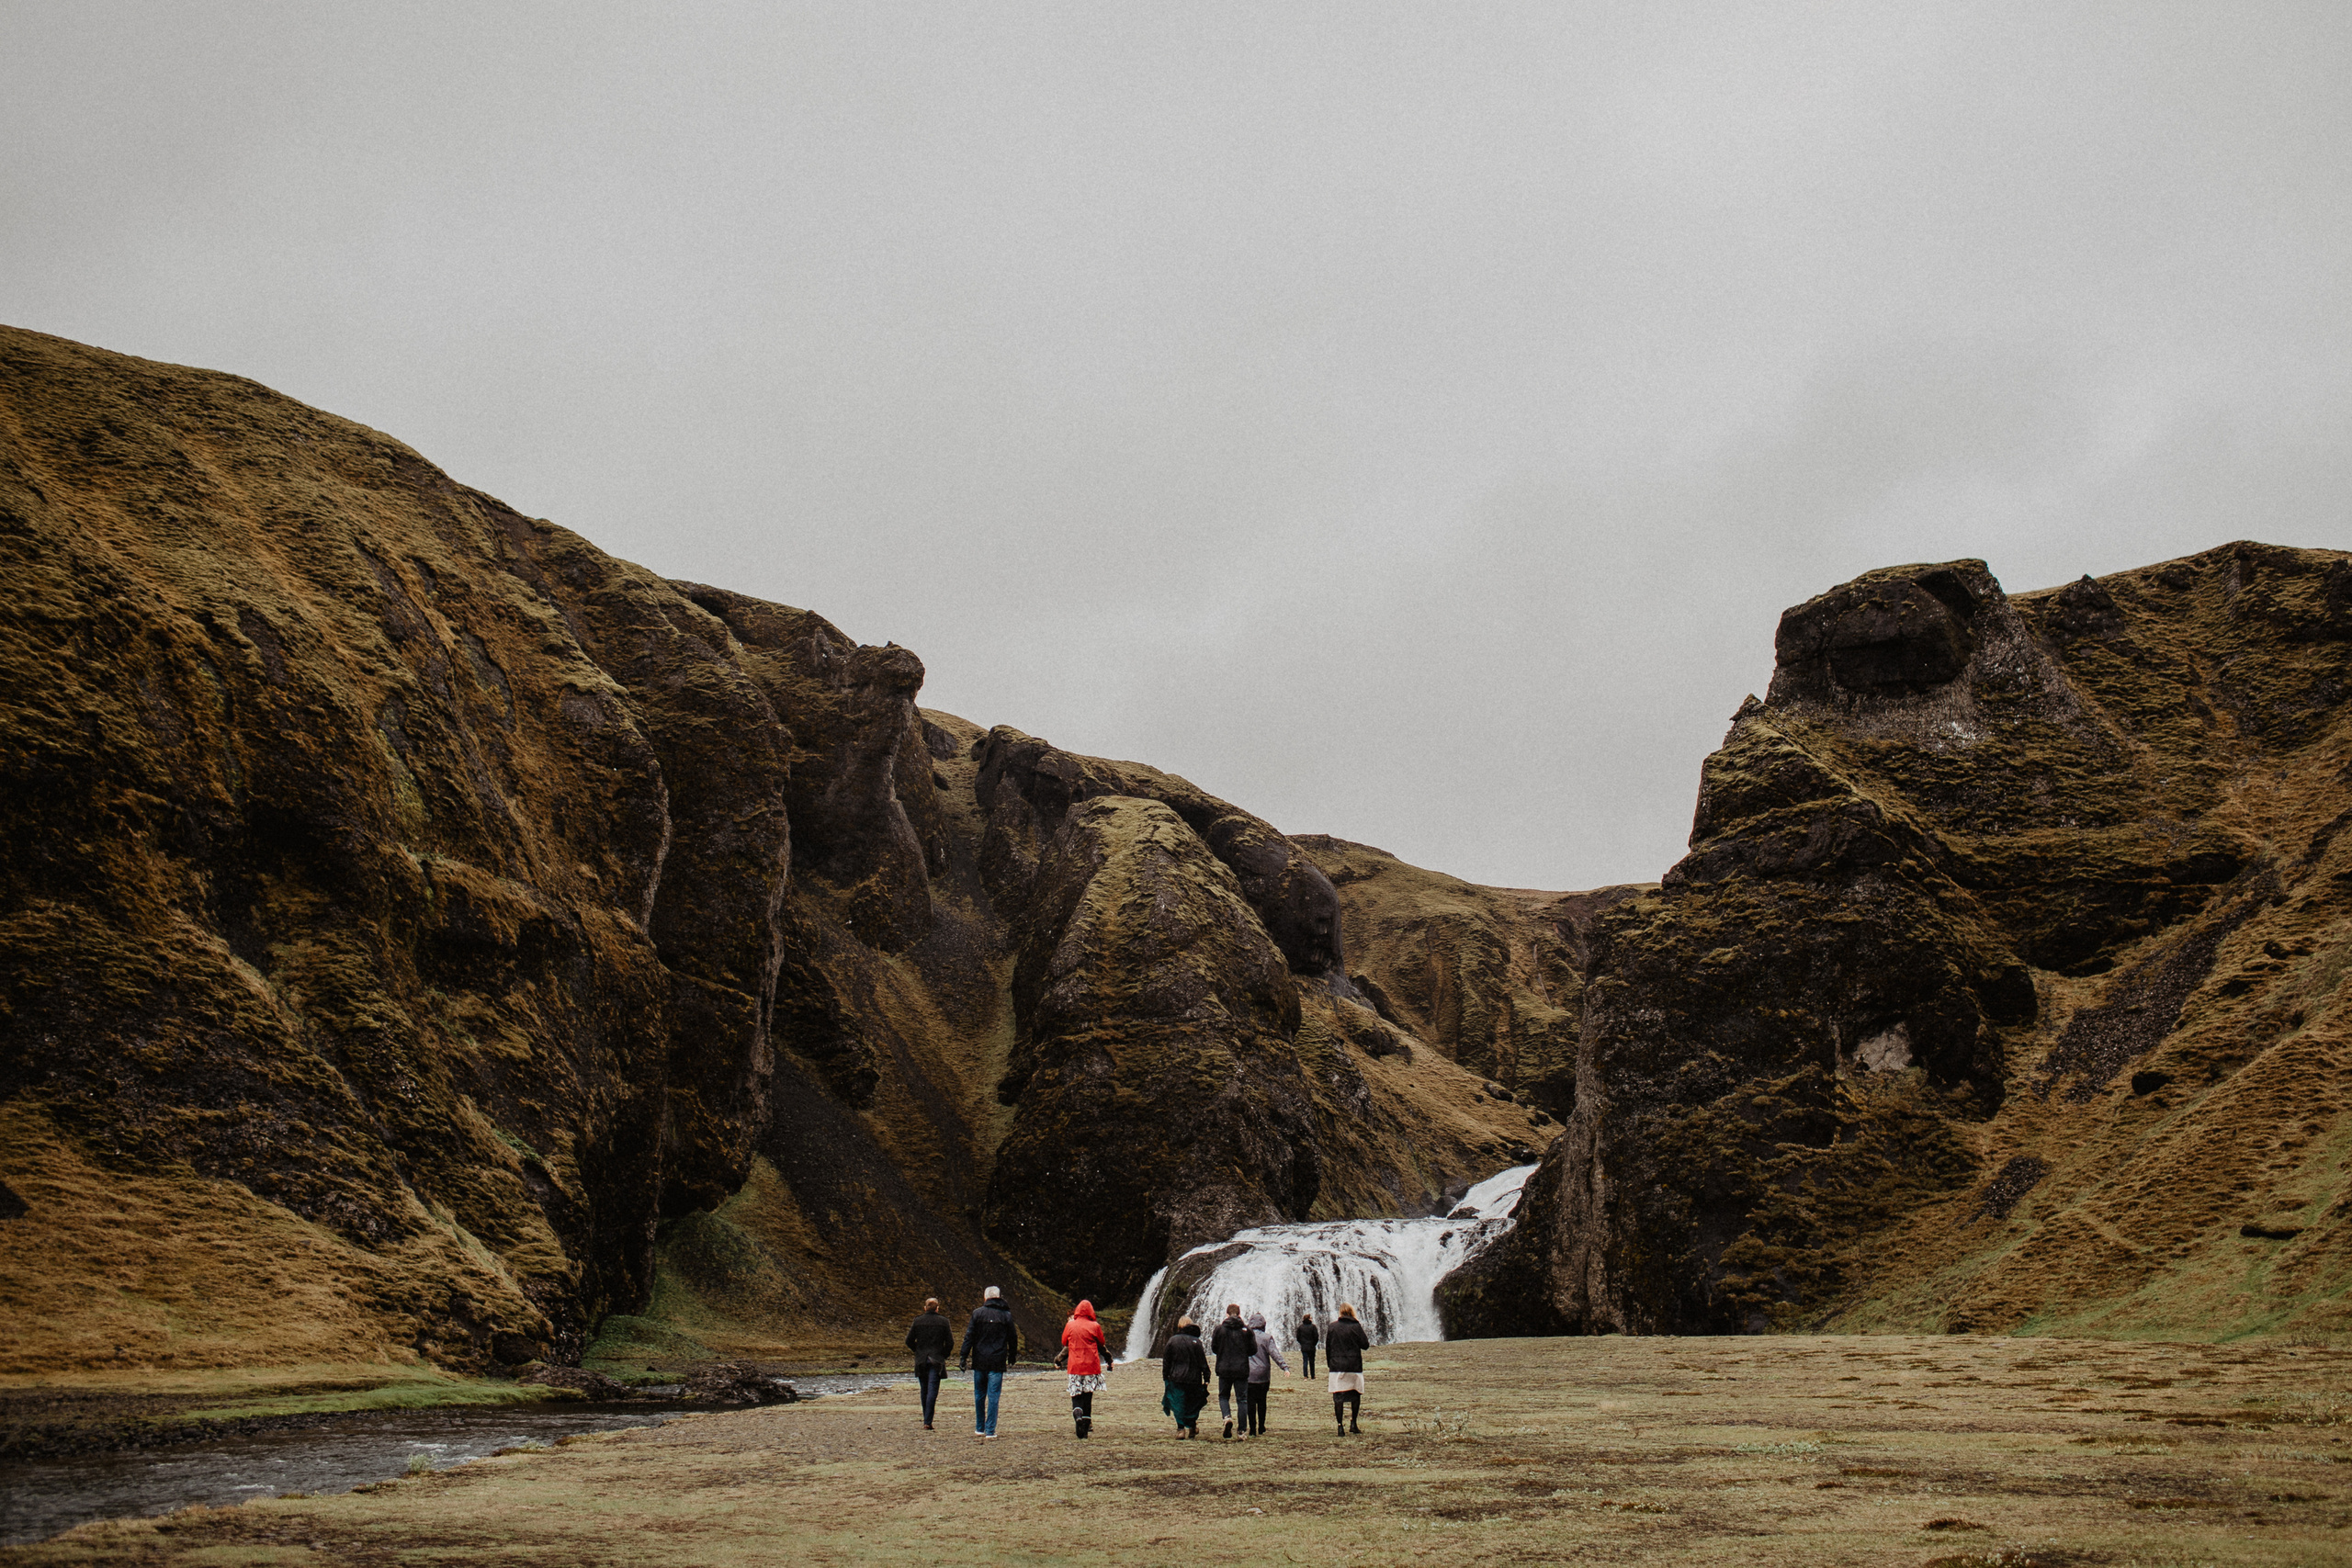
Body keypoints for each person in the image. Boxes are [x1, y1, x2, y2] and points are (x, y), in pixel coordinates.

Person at [957, 1285, 1021, 1439]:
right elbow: (1013, 1337)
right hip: (997, 1360)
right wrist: (1012, 1356)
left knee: (979, 1394)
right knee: (993, 1396)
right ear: (999, 1297)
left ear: (985, 1297)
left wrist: (963, 1356)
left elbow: (969, 1336)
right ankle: (990, 1430)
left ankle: (979, 1427)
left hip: (980, 1359)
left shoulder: (977, 1314)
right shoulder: (1006, 1315)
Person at [1059, 1299, 1110, 1438]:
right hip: (1091, 1367)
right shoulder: (1095, 1326)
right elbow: (1101, 1342)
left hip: (1075, 1366)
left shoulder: (1070, 1325)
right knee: (1088, 1397)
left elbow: (1064, 1342)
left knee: (1076, 1395)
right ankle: (1085, 1430)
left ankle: (1077, 1415)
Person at [905, 1296, 953, 1431]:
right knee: (932, 1390)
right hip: (936, 1359)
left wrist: (918, 1351)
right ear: (937, 1308)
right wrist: (943, 1355)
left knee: (924, 1390)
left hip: (921, 1359)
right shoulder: (944, 1321)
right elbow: (950, 1343)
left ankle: (926, 1419)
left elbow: (908, 1341)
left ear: (925, 1308)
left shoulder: (918, 1321)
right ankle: (928, 1421)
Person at [1210, 1303, 1257, 1439]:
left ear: (1227, 1314)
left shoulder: (1219, 1330)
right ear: (1239, 1314)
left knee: (1223, 1396)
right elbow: (1253, 1350)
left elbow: (1214, 1348)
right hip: (1241, 1369)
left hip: (1224, 1368)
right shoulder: (1246, 1330)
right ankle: (1241, 1431)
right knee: (1242, 1400)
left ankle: (1227, 1417)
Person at [1324, 1302, 1371, 1436]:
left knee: (1338, 1396)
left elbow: (1328, 1347)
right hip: (1354, 1365)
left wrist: (1330, 1363)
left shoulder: (1333, 1327)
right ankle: (1353, 1423)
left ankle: (1340, 1427)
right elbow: (1365, 1345)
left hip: (1337, 1366)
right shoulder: (1356, 1326)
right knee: (1355, 1394)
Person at [1159, 1315, 1210, 1438]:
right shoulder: (1196, 1341)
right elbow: (1202, 1362)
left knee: (1178, 1403)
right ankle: (1192, 1427)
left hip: (1176, 1377)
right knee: (1193, 1403)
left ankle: (1181, 1429)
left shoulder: (1172, 1341)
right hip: (1194, 1377)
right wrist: (1207, 1377)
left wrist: (1165, 1375)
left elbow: (1166, 1361)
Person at [1244, 1312, 1287, 1436]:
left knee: (1250, 1402)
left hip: (1248, 1374)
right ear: (1263, 1324)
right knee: (1262, 1401)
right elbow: (1275, 1354)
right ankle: (1261, 1426)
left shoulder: (1245, 1336)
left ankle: (1252, 1428)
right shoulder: (1267, 1338)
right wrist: (1284, 1367)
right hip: (1263, 1375)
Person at [1295, 1311, 1320, 1380]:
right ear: (1308, 1319)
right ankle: (1313, 1376)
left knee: (1305, 1361)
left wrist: (1302, 1343)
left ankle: (1305, 1376)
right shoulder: (1313, 1327)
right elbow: (1316, 1337)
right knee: (1312, 1361)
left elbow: (1298, 1337)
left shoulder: (1300, 1327)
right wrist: (1314, 1344)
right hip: (1312, 1347)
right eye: (1311, 1318)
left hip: (1304, 1347)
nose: (1312, 1319)